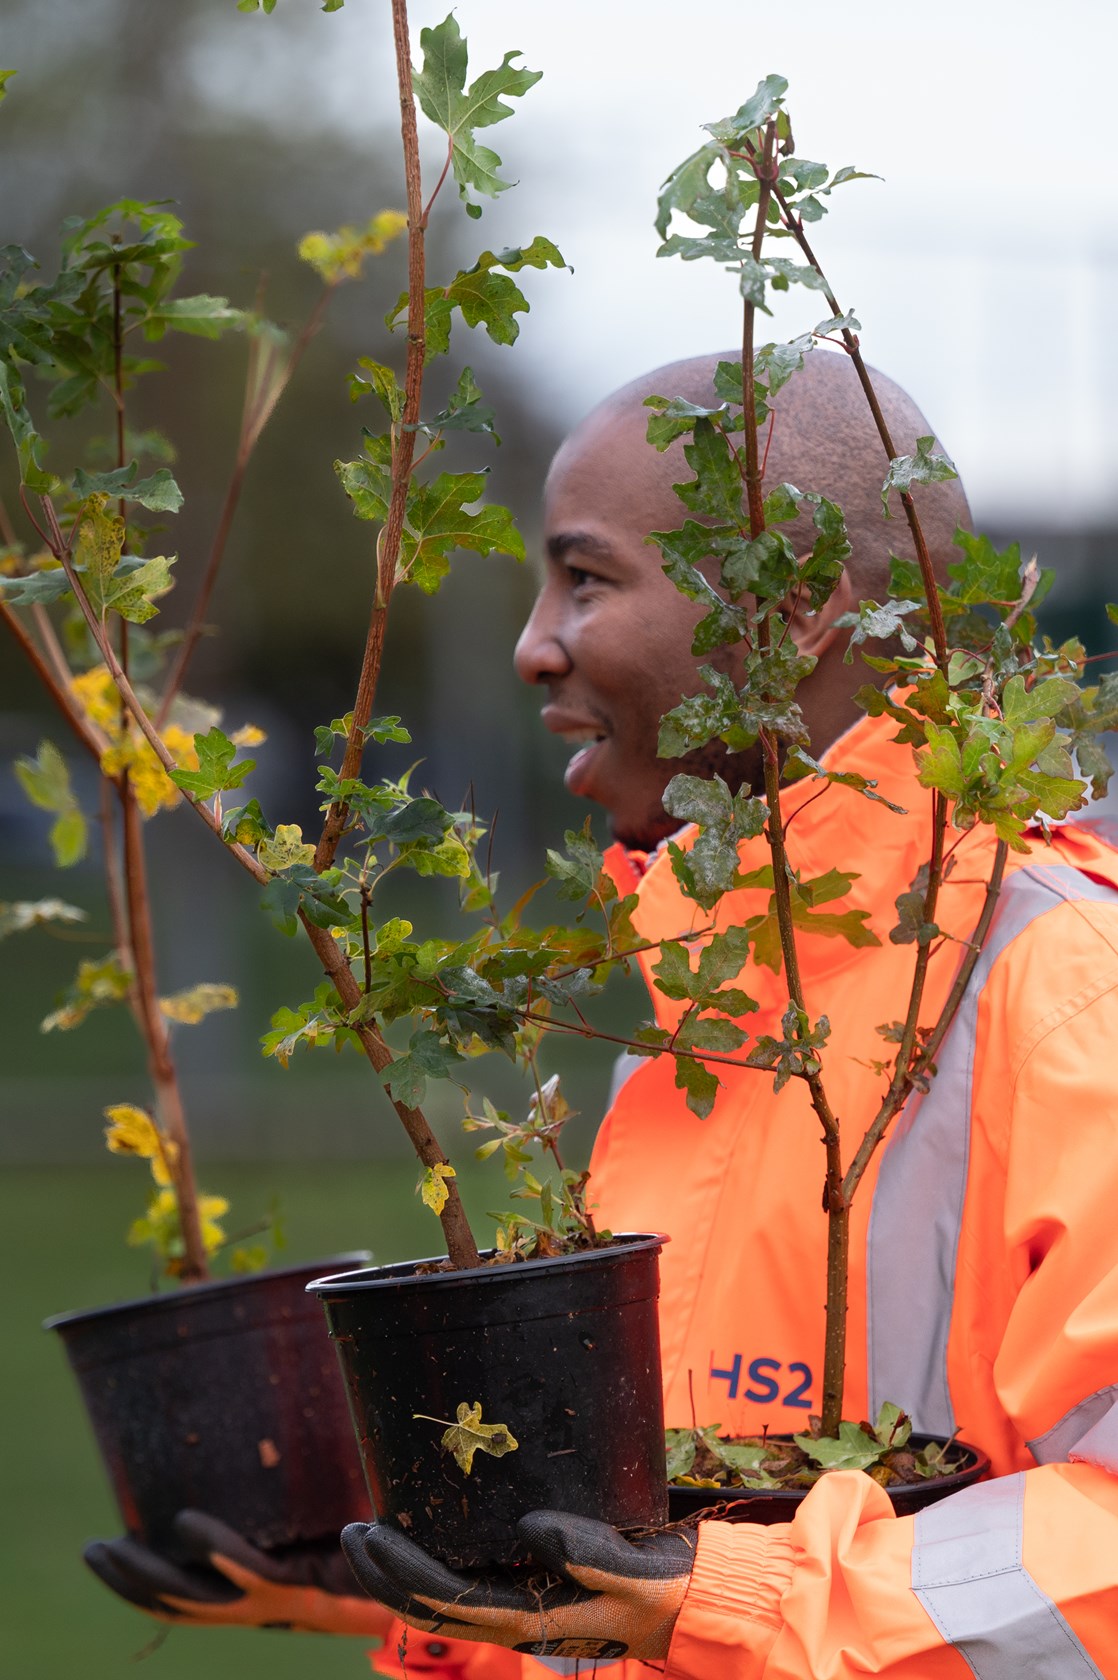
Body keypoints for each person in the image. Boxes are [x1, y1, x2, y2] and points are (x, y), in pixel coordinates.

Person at [86, 350, 1118, 1679]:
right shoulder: (715, 1010)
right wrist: (419, 1582)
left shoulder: (1060, 995)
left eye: (585, 577)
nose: (532, 644)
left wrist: (724, 1598)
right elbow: (645, 1571)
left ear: (789, 607)